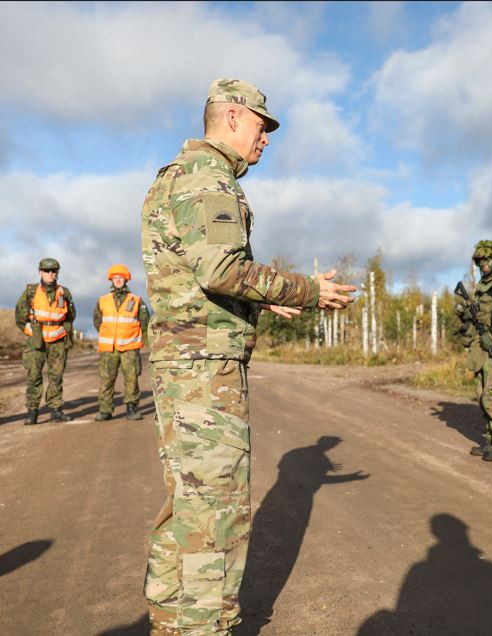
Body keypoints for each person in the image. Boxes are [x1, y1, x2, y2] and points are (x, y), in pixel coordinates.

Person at [140, 78, 356, 634]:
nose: (267, 139)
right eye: (263, 126)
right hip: (204, 370)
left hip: (184, 363)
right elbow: (220, 270)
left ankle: (171, 624)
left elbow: (200, 276)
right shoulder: (209, 179)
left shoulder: (179, 175)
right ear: (233, 117)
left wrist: (259, 303)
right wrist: (305, 291)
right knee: (216, 515)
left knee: (188, 507)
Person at [455, 240, 492, 461]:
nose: (483, 265)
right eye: (480, 261)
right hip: (482, 346)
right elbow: (481, 315)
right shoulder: (483, 286)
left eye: (487, 260)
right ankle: (491, 439)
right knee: (482, 395)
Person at [14, 257, 75, 424]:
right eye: (47, 271)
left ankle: (56, 411)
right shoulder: (31, 291)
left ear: (57, 273)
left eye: (53, 271)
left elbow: (70, 316)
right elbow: (20, 316)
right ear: (40, 272)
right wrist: (30, 331)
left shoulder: (64, 292)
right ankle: (32, 412)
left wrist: (66, 336)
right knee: (34, 376)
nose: (50, 274)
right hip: (36, 342)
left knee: (57, 376)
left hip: (57, 341)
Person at [93, 264, 150, 421]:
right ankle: (105, 410)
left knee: (131, 378)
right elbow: (97, 321)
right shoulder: (103, 300)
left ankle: (131, 409)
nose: (118, 280)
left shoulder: (137, 300)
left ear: (126, 279)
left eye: (121, 277)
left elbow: (145, 322)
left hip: (130, 347)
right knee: (106, 379)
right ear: (111, 279)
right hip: (109, 348)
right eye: (115, 278)